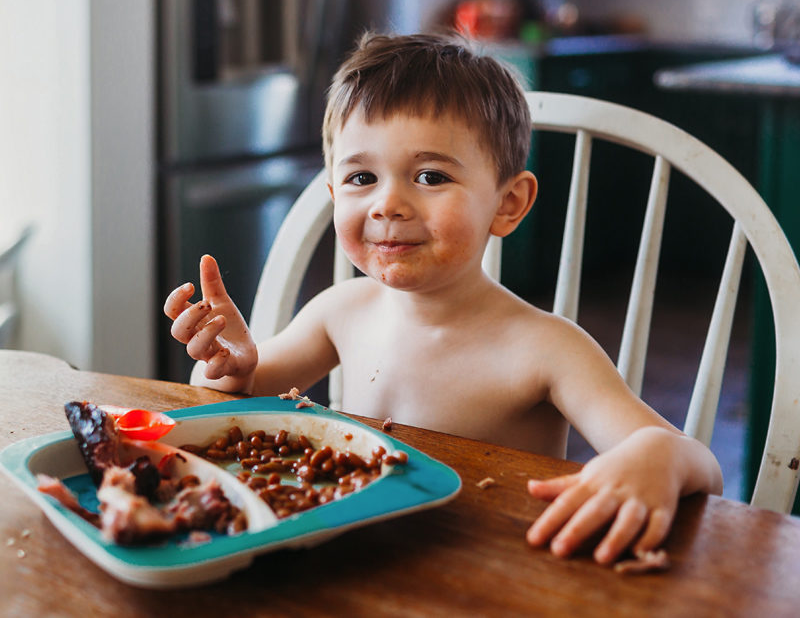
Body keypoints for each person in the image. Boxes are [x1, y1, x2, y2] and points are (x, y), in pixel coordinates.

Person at [164, 32, 722, 565]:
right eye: (361, 178)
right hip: (346, 560)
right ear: (333, 193)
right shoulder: (339, 312)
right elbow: (225, 411)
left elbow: (701, 466)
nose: (388, 204)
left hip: (486, 572)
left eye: (430, 176)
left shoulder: (545, 349)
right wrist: (229, 369)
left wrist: (658, 458)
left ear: (507, 203)